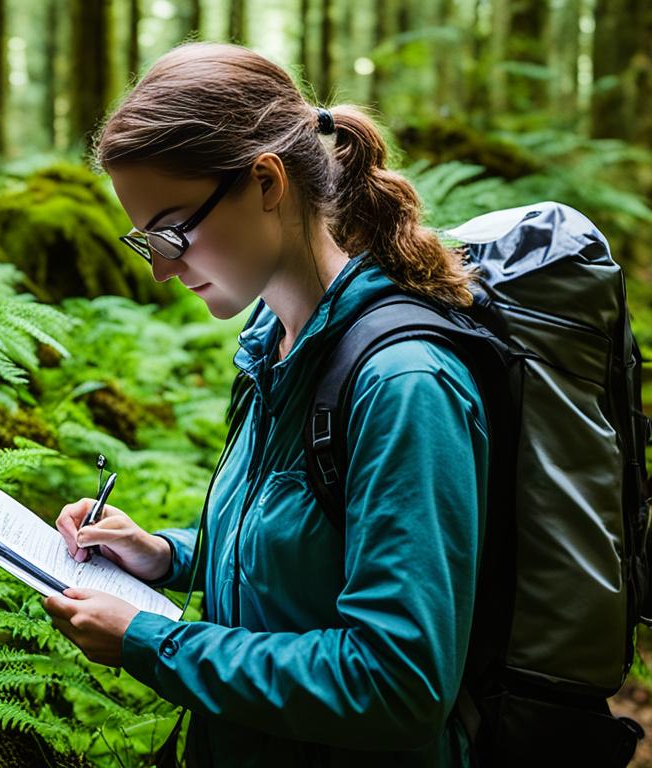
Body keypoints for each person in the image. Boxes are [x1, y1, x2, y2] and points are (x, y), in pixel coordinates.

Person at [42, 42, 490, 767]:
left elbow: (397, 685)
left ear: (266, 182)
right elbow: (301, 548)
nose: (158, 270)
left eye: (171, 232)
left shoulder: (404, 386)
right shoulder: (270, 348)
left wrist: (152, 644)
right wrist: (161, 555)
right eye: (141, 240)